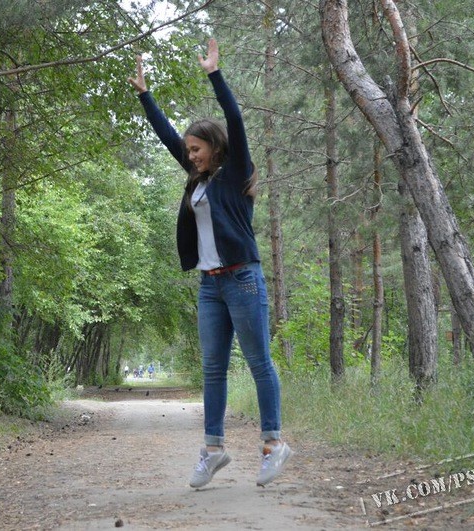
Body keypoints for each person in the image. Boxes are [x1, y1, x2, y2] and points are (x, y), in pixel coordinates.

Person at [128, 38, 291, 488]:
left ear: (215, 148)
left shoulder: (234, 174)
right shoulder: (195, 182)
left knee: (259, 362)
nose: (191, 155)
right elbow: (166, 136)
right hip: (210, 286)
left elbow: (235, 119)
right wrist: (146, 96)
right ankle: (214, 450)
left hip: (243, 279)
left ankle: (273, 444)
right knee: (213, 369)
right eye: (188, 151)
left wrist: (214, 74)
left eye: (197, 149)